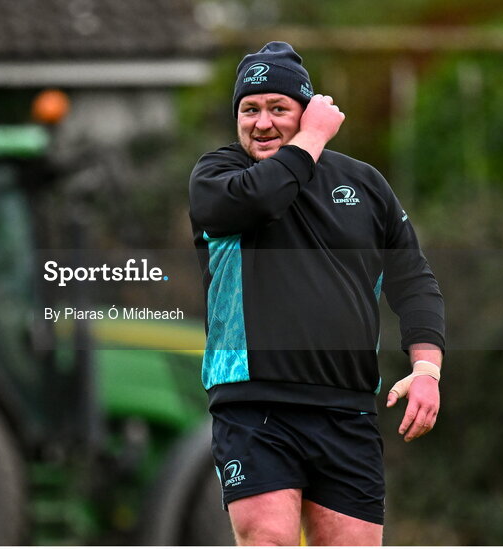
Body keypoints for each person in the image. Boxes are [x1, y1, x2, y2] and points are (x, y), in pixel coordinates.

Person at [189, 42, 445, 545]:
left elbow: (414, 281)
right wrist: (309, 137)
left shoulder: (365, 185)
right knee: (269, 540)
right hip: (253, 406)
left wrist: (426, 370)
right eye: (250, 110)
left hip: (346, 410)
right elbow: (263, 199)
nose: (262, 123)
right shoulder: (218, 176)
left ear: (306, 109)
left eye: (277, 108)